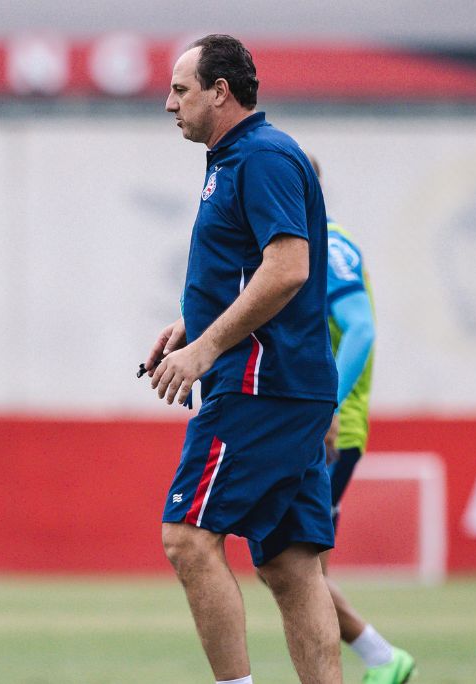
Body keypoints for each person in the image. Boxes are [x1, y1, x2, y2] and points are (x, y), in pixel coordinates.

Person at [146, 35, 341, 684]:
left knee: (187, 538)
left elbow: (289, 268)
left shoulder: (260, 157)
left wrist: (205, 347)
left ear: (220, 91)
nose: (169, 103)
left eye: (181, 90)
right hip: (286, 386)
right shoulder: (236, 158)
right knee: (289, 565)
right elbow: (254, 268)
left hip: (259, 386)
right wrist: (190, 323)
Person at [309, 155, 416, 684]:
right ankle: (379, 659)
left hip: (332, 432)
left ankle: (380, 659)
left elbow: (361, 330)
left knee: (292, 566)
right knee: (291, 566)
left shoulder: (330, 246)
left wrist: (327, 403)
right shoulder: (304, 246)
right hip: (315, 430)